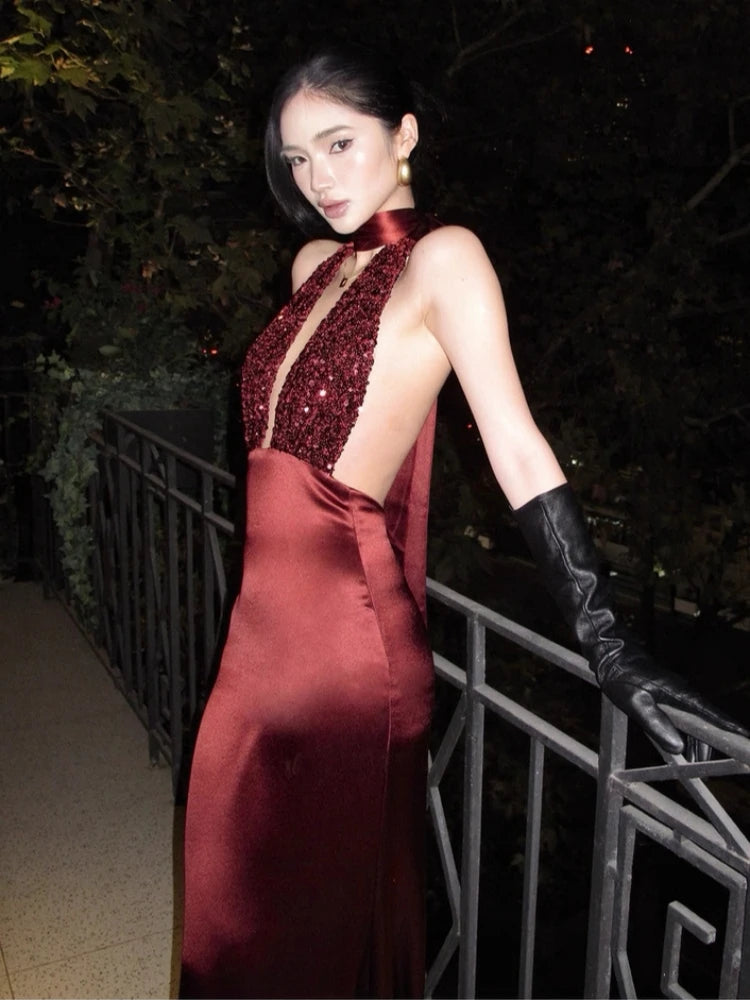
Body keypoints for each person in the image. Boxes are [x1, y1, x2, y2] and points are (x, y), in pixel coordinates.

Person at [179, 48, 747, 1000]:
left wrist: (610, 644)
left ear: (404, 137)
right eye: (297, 159)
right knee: (229, 920)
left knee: (303, 941)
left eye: (339, 144)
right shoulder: (312, 265)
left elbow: (516, 447)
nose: (317, 179)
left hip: (344, 662)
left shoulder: (446, 260)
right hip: (257, 651)